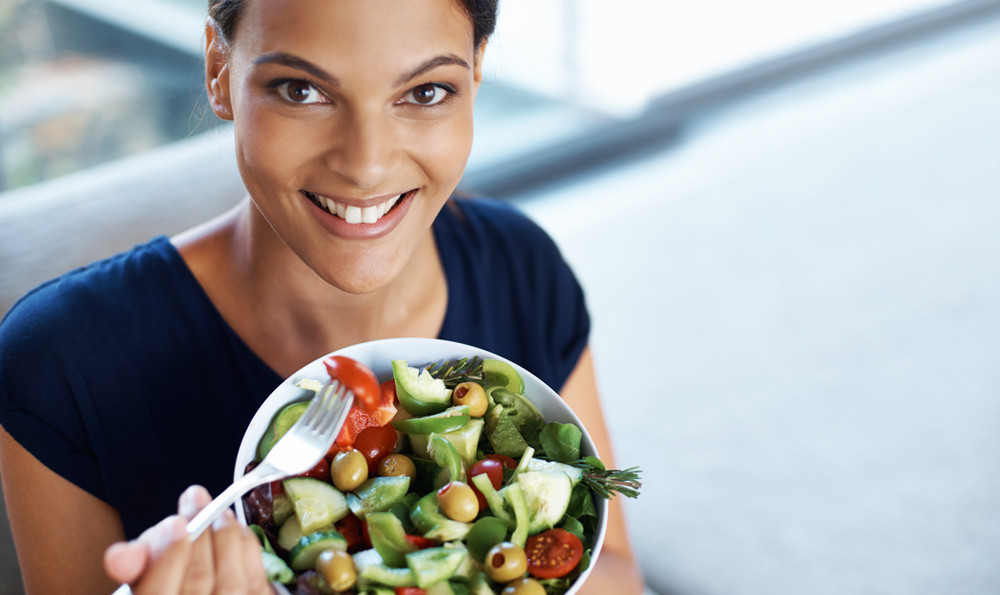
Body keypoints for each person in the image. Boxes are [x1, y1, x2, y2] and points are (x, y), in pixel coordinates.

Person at [0, 0, 646, 594]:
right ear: (219, 70)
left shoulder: (520, 265)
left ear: (477, 73)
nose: (365, 165)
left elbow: (615, 570)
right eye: (301, 90)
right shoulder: (61, 364)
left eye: (425, 91)